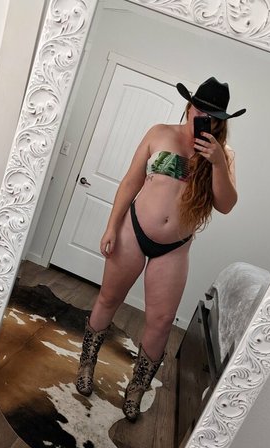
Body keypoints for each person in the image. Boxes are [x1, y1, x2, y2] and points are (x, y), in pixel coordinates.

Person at [75, 76, 246, 422]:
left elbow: (226, 205)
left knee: (162, 320)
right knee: (109, 298)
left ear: (221, 122)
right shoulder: (159, 133)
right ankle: (87, 363)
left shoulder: (223, 156)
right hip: (134, 230)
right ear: (189, 106)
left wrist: (216, 162)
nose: (205, 119)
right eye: (200, 110)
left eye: (213, 117)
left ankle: (136, 388)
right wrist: (111, 226)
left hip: (175, 248)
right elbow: (131, 181)